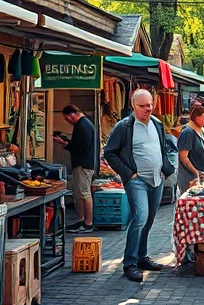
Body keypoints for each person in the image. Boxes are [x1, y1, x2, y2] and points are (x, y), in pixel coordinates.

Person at [104, 90, 176, 283]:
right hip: (137, 181)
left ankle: (142, 257)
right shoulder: (125, 126)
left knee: (150, 219)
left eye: (150, 105)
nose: (148, 109)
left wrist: (165, 168)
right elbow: (109, 153)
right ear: (134, 106)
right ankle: (130, 263)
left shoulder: (157, 124)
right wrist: (128, 174)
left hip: (156, 179)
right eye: (143, 106)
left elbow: (162, 149)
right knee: (140, 217)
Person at [55, 105, 97, 233]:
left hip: (83, 164)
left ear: (73, 114)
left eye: (67, 117)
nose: (67, 120)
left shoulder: (82, 125)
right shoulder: (85, 124)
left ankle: (88, 223)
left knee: (84, 193)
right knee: (79, 193)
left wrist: (65, 144)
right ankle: (81, 220)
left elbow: (80, 147)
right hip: (83, 163)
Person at [177, 105, 204, 190]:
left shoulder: (201, 130)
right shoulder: (188, 132)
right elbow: (184, 157)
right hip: (191, 178)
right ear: (196, 117)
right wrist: (196, 172)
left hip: (203, 176)